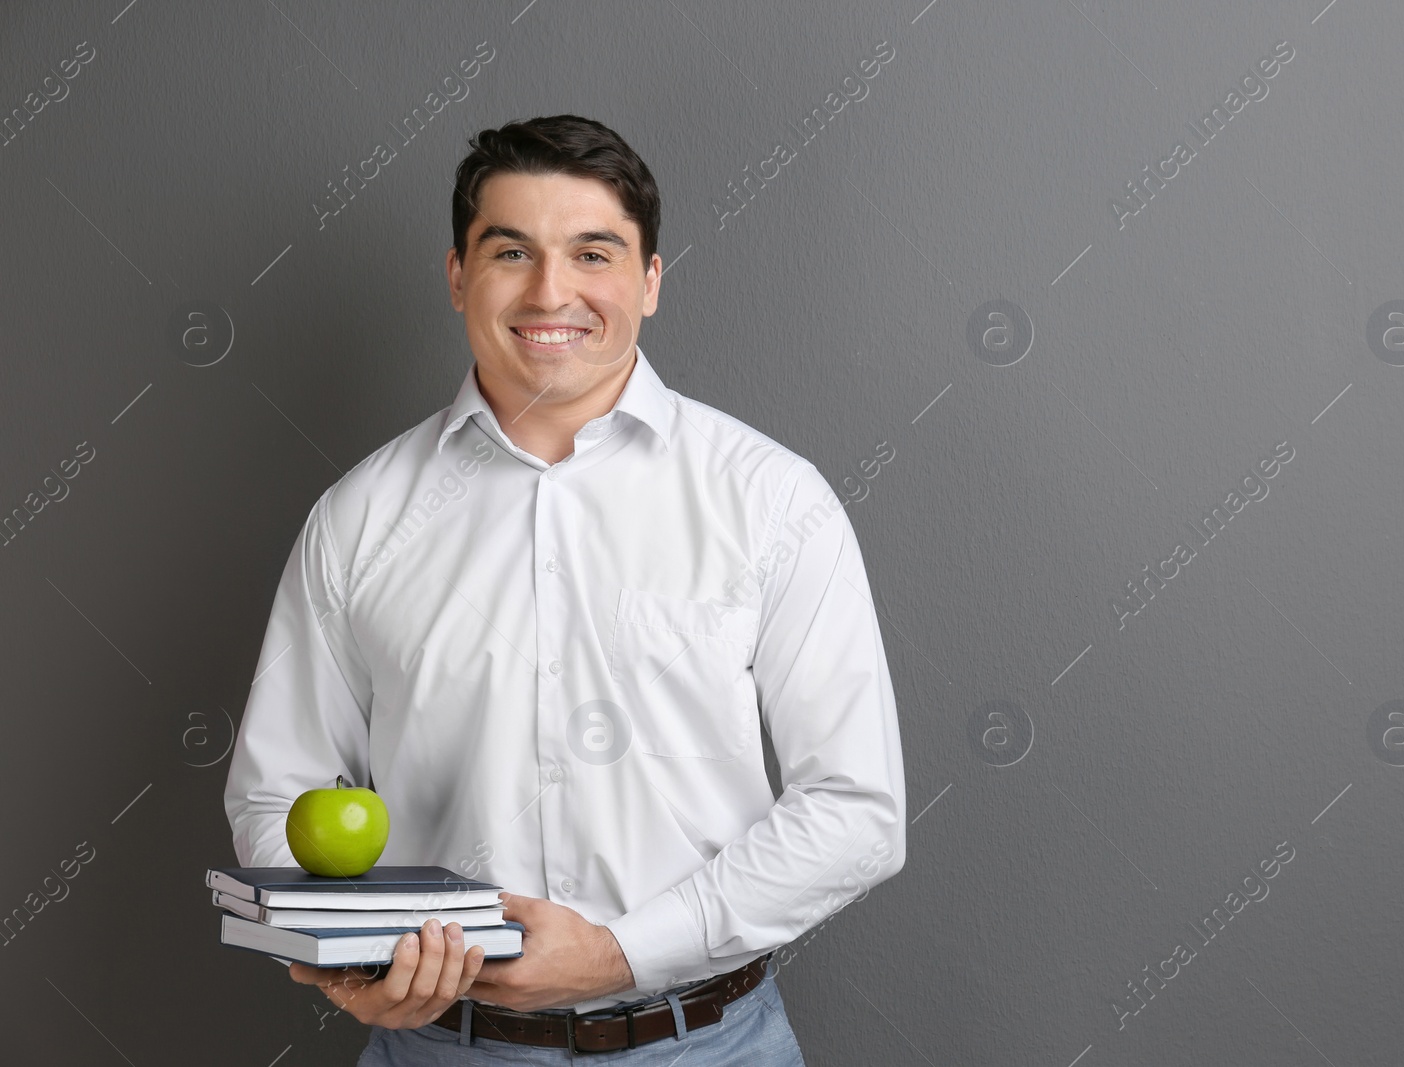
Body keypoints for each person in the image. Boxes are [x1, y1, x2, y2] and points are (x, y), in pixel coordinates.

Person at [222, 113, 907, 1065]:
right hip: (438, 1048)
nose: (554, 291)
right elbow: (280, 789)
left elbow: (856, 810)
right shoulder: (359, 517)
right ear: (458, 274)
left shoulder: (772, 500)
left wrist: (620, 953)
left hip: (707, 1045)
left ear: (650, 280)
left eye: (595, 252)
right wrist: (342, 952)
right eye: (512, 251)